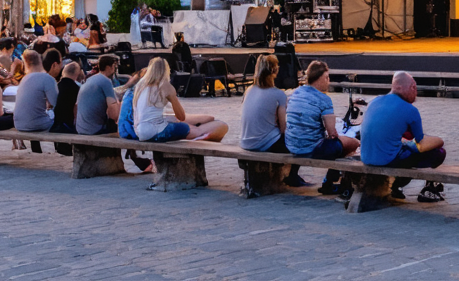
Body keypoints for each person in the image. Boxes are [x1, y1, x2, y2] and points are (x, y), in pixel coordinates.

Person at [359, 70, 446, 203]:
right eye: (413, 87)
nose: (415, 91)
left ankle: (396, 186)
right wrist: (440, 141)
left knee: (404, 148)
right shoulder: (410, 110)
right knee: (437, 153)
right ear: (406, 87)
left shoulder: (375, 101)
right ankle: (398, 185)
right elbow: (421, 142)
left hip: (366, 157)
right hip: (386, 160)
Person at [284, 60, 360, 195]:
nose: (328, 81)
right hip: (312, 148)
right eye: (326, 77)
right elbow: (332, 133)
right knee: (352, 143)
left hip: (291, 144)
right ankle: (331, 182)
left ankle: (327, 181)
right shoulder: (324, 99)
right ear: (318, 78)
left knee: (309, 136)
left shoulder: (295, 93)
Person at [132, 58, 227, 142]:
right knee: (186, 127)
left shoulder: (140, 85)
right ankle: (198, 139)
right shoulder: (165, 86)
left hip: (141, 132)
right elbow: (181, 116)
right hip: (156, 132)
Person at [238, 54, 301, 182]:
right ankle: (292, 176)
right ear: (275, 70)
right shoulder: (278, 94)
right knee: (300, 142)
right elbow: (283, 128)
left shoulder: (249, 90)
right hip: (264, 143)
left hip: (246, 142)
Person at [14, 49, 58, 133]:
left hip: (19, 124)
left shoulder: (24, 79)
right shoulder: (47, 78)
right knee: (56, 116)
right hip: (38, 124)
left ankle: (36, 146)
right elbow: (56, 103)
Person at [52, 61, 82, 133]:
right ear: (77, 74)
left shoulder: (56, 86)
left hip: (56, 123)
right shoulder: (77, 89)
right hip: (69, 124)